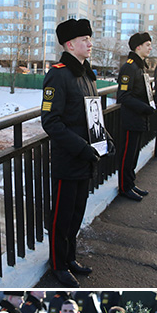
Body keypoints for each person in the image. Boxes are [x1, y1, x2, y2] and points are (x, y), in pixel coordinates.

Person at [40, 17, 102, 284]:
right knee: (62, 216)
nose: (90, 44)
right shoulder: (59, 74)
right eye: (85, 40)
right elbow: (50, 121)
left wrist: (104, 140)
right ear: (70, 44)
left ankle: (70, 257)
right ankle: (57, 263)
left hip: (85, 158)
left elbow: (93, 115)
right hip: (69, 158)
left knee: (77, 213)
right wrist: (83, 148)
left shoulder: (87, 74)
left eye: (90, 39)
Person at [117, 32, 155, 199]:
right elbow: (123, 96)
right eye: (147, 45)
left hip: (139, 118)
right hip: (131, 119)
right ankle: (125, 187)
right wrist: (145, 108)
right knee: (127, 155)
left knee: (134, 155)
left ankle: (131, 183)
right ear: (138, 47)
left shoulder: (139, 66)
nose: (150, 48)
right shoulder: (129, 67)